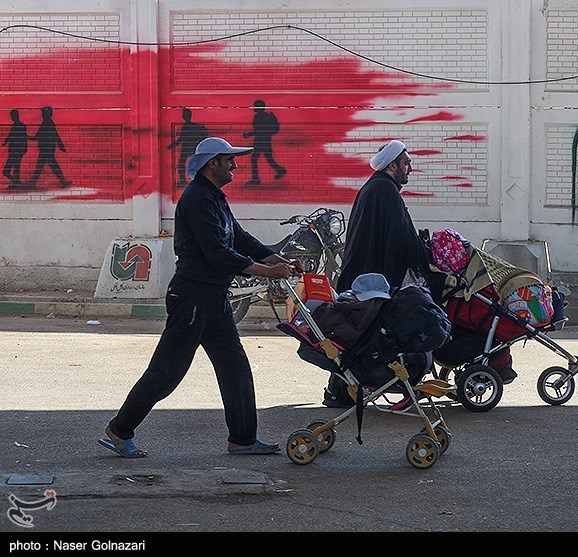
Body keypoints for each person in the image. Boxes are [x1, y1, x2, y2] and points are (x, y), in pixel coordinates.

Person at [99, 137, 303, 458]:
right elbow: (218, 254)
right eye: (229, 160)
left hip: (214, 298)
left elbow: (240, 238)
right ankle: (119, 430)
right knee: (168, 371)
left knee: (234, 365)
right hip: (192, 297)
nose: (235, 165)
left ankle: (243, 439)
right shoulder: (196, 200)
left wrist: (276, 259)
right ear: (213, 164)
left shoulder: (215, 199)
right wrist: (265, 272)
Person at [323, 140, 429, 408]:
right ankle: (343, 390)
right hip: (371, 281)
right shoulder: (385, 191)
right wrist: (426, 261)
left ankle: (341, 390)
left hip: (363, 275)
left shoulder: (375, 187)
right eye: (406, 163)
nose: (410, 169)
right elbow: (402, 237)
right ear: (392, 165)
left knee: (356, 335)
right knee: (364, 335)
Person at [244, 99, 286, 185]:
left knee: (254, 159)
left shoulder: (258, 117)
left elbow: (258, 130)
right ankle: (280, 170)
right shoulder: (267, 116)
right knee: (269, 159)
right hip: (266, 140)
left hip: (260, 141)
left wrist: (249, 134)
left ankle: (256, 179)